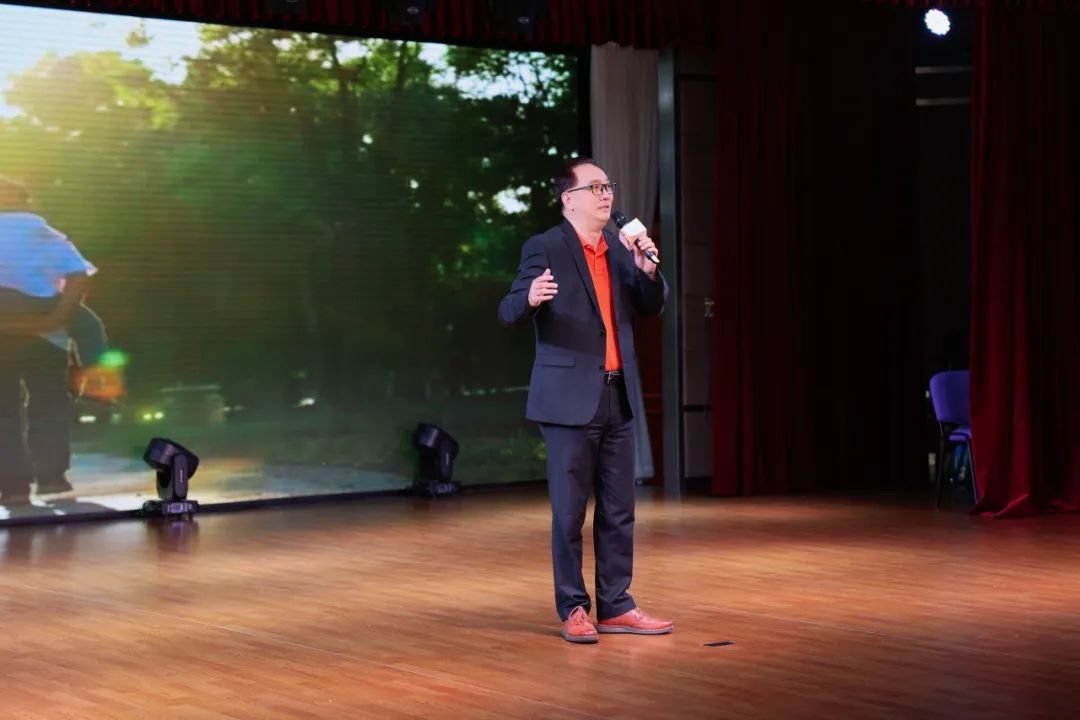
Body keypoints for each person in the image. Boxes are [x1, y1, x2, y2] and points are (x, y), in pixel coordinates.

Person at [498, 158, 673, 643]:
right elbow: (508, 309)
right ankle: (574, 607)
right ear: (568, 199)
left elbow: (652, 305)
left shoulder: (621, 249)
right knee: (570, 514)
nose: (606, 194)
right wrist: (531, 297)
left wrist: (647, 270)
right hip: (567, 401)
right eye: (595, 187)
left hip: (617, 394)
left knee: (619, 510)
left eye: (608, 186)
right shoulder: (546, 246)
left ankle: (617, 605)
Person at [0, 177, 105, 503]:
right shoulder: (43, 232)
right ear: (25, 201)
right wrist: (58, 317)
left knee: (3, 412)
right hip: (45, 333)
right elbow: (78, 275)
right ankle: (51, 479)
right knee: (48, 403)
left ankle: (13, 488)